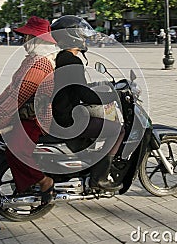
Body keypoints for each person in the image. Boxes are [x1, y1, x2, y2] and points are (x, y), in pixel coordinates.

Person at [0, 16, 56, 205]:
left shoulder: (41, 63)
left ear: (36, 39)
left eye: (27, 36)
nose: (24, 41)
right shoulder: (30, 60)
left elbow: (18, 97)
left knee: (16, 151)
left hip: (35, 118)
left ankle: (45, 181)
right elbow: (11, 89)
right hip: (22, 114)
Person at [50, 15, 125, 191]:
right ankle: (99, 177)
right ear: (72, 36)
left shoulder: (63, 57)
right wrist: (113, 96)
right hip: (69, 119)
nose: (84, 38)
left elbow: (77, 87)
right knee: (116, 130)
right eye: (81, 35)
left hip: (63, 114)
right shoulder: (71, 60)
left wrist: (101, 87)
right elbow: (85, 95)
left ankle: (88, 164)